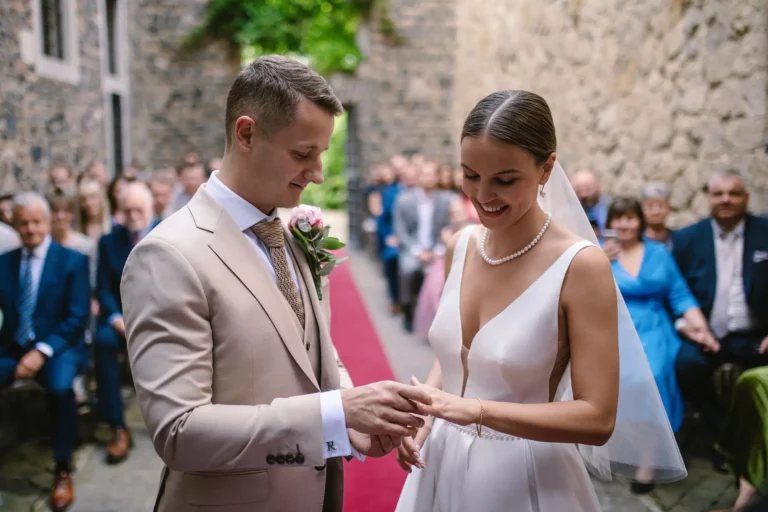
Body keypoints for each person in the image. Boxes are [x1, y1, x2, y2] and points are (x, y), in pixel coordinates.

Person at [120, 55, 431, 512]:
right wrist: (334, 414)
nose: (318, 174)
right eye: (303, 154)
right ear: (246, 134)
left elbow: (310, 350)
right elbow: (179, 432)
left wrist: (350, 422)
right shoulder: (168, 255)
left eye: (321, 154)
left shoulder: (290, 234)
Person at [395, 90, 686, 512]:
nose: (482, 194)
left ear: (547, 168)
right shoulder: (459, 245)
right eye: (470, 174)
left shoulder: (580, 267)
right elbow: (458, 353)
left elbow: (597, 417)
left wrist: (472, 410)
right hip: (440, 461)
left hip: (524, 472)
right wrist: (427, 415)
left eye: (505, 179)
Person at [604, 197, 714, 493]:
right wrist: (601, 261)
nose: (624, 224)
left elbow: (680, 293)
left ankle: (650, 458)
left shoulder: (658, 253)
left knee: (651, 377)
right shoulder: (600, 254)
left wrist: (701, 327)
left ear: (640, 221)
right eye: (618, 218)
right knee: (617, 380)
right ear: (610, 223)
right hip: (614, 326)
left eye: (630, 217)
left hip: (654, 326)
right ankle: (623, 446)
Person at [672, 168, 768, 473]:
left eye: (733, 193)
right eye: (718, 193)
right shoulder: (688, 238)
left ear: (746, 198)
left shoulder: (765, 231)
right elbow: (674, 290)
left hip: (754, 336)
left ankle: (754, 441)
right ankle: (722, 434)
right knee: (686, 366)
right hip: (705, 334)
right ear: (709, 198)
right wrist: (688, 328)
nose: (725, 199)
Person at [0, 192, 90, 511]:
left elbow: (78, 318)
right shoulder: (4, 263)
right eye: (23, 223)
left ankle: (62, 468)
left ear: (48, 220)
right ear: (14, 223)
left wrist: (41, 350)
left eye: (37, 221)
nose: (31, 229)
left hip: (58, 346)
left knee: (60, 388)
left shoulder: (72, 261)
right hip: (13, 347)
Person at [93, 182, 156, 465]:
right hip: (121, 319)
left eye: (139, 209)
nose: (132, 215)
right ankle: (117, 425)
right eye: (127, 210)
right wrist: (117, 319)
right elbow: (103, 288)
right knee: (103, 341)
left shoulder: (170, 232)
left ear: (151, 209)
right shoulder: (109, 241)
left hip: (160, 317)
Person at [641, 182, 674, 249]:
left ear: (669, 208)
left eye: (661, 206)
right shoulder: (635, 241)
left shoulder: (677, 240)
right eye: (650, 206)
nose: (656, 212)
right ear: (642, 210)